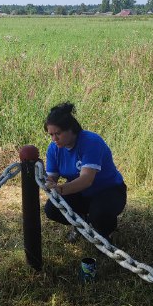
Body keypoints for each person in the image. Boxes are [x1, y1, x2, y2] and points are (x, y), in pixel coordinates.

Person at [43, 102, 127, 240]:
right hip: (79, 193)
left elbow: (86, 180)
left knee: (99, 214)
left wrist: (60, 189)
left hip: (109, 191)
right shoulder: (53, 149)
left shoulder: (91, 142)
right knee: (51, 209)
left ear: (71, 129)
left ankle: (107, 233)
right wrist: (48, 182)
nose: (54, 139)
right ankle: (82, 223)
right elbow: (52, 177)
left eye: (58, 133)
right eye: (50, 134)